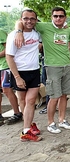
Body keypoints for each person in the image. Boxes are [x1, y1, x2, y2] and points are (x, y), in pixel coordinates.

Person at [15, 7, 70, 134]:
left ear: (65, 18)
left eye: (61, 16)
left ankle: (62, 120)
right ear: (52, 17)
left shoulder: (67, 30)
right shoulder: (44, 27)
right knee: (54, 96)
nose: (58, 18)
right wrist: (19, 31)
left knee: (64, 95)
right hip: (52, 66)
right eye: (55, 16)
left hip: (67, 66)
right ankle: (51, 123)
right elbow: (22, 21)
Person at [6, 9, 41, 141]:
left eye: (32, 19)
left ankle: (28, 125)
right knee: (23, 100)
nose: (29, 21)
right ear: (21, 19)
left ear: (36, 20)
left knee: (31, 100)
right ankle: (26, 130)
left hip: (34, 70)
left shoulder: (37, 33)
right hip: (19, 72)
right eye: (25, 18)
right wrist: (17, 77)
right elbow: (9, 57)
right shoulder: (13, 35)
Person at [0, 29, 20, 126]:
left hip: (4, 66)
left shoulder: (1, 32)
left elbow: (7, 49)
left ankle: (17, 113)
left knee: (6, 90)